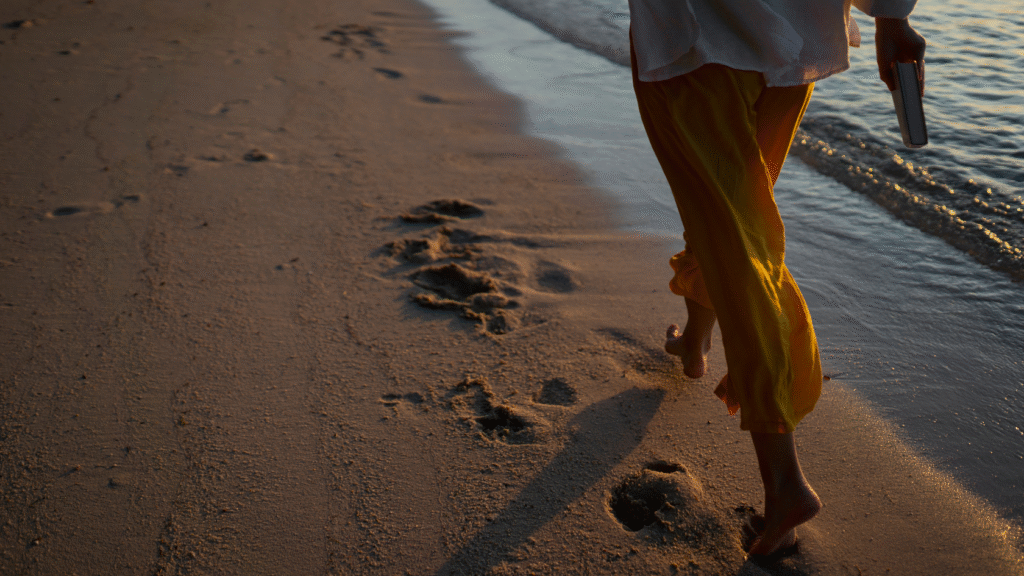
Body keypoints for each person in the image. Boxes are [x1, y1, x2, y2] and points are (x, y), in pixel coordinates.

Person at [626, 0, 926, 560]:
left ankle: (784, 479)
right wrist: (891, 17)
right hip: (793, 41)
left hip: (695, 39)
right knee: (731, 216)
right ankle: (694, 341)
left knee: (736, 236)